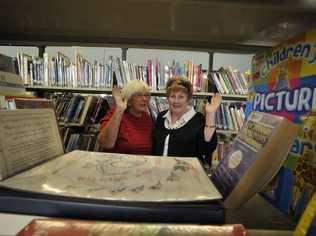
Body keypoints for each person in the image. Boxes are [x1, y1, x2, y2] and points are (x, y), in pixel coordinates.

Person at [152, 76, 221, 165]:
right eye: (172, 96)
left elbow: (207, 148)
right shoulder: (161, 117)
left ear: (188, 99)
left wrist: (210, 115)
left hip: (187, 175)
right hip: (161, 172)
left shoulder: (198, 119)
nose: (176, 101)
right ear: (167, 98)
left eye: (181, 97)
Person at [97, 80, 154, 155]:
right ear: (129, 99)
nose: (144, 99)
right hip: (118, 164)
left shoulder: (147, 118)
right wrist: (119, 110)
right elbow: (106, 144)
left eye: (147, 95)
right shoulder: (115, 114)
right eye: (139, 95)